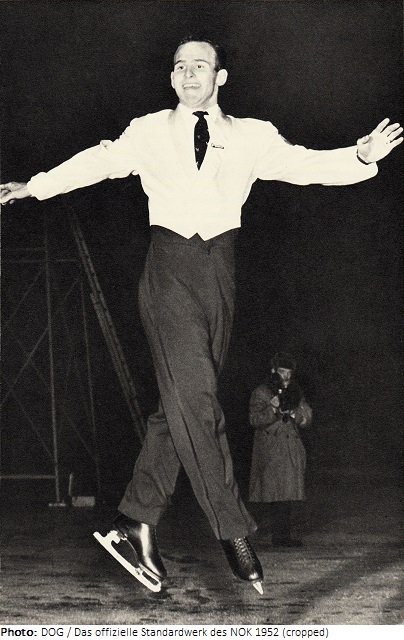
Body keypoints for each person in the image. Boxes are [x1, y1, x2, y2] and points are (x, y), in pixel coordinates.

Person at [0, 35, 402, 594]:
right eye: (180, 66)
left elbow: (306, 165)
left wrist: (360, 157)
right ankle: (233, 530)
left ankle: (135, 521)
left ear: (221, 77)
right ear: (171, 78)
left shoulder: (253, 135)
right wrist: (36, 187)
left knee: (179, 407)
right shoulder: (147, 131)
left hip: (220, 275)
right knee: (200, 401)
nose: (189, 74)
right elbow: (98, 161)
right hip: (168, 271)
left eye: (200, 65)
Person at [249, 353, 312, 547]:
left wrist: (294, 413)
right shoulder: (261, 392)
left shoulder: (295, 391)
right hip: (271, 450)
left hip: (290, 448)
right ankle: (276, 536)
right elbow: (254, 420)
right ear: (273, 371)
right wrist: (273, 409)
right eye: (283, 371)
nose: (286, 376)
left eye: (289, 372)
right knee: (275, 494)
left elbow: (307, 417)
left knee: (287, 494)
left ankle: (282, 536)